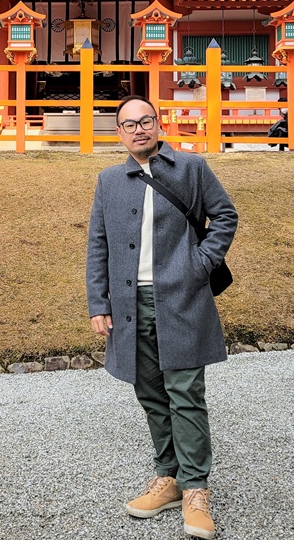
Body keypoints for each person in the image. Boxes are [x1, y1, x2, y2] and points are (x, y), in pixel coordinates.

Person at [86, 95, 238, 540]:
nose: (138, 129)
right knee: (150, 392)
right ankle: (167, 478)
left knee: (185, 393)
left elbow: (224, 215)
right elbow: (98, 245)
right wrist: (100, 302)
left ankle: (196, 489)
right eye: (128, 124)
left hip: (183, 298)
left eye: (145, 121)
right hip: (130, 305)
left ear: (158, 124)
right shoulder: (109, 180)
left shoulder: (190, 168)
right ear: (119, 133)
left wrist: (200, 263)